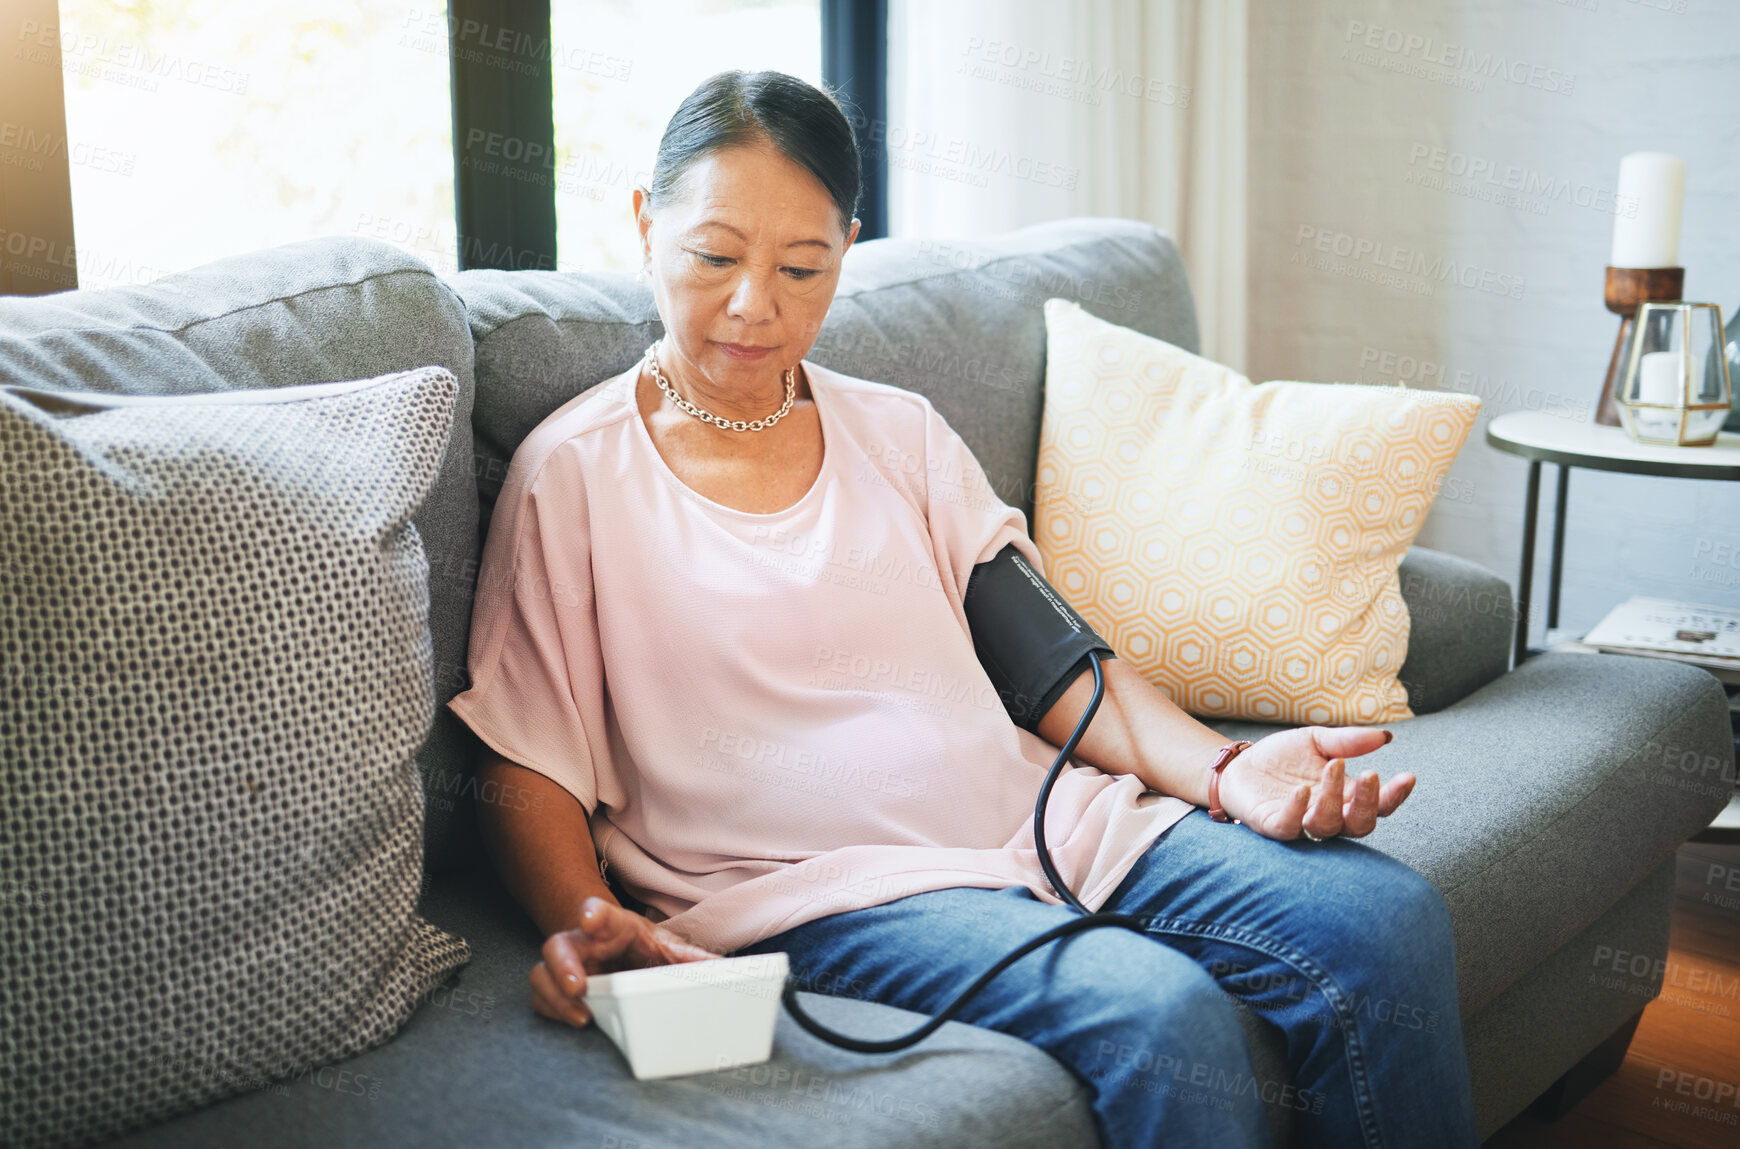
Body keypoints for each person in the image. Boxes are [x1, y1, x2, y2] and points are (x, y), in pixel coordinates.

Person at [445, 68, 1480, 1149]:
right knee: (1157, 1014)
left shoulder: (901, 434)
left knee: (1382, 922)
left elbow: (1060, 670)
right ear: (646, 226)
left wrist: (1228, 772)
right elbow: (526, 755)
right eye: (713, 256)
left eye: (802, 267)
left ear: (847, 248)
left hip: (1047, 824)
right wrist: (586, 922)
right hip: (825, 893)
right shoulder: (576, 475)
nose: (755, 305)